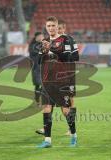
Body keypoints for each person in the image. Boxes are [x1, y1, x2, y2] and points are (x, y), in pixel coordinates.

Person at [37, 16, 77, 148]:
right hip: (47, 80)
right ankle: (47, 140)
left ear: (57, 26)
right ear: (46, 27)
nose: (51, 28)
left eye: (53, 26)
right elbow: (38, 61)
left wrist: (51, 50)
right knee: (46, 109)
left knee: (65, 110)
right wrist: (43, 51)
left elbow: (67, 57)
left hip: (61, 80)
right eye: (48, 26)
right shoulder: (44, 41)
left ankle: (73, 136)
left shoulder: (64, 39)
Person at [28, 32, 44, 105]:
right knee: (38, 84)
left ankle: (39, 100)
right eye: (41, 36)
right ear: (37, 37)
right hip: (36, 69)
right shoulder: (33, 46)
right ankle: (38, 100)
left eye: (42, 36)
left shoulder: (42, 44)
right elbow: (37, 52)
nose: (42, 38)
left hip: (43, 68)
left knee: (43, 85)